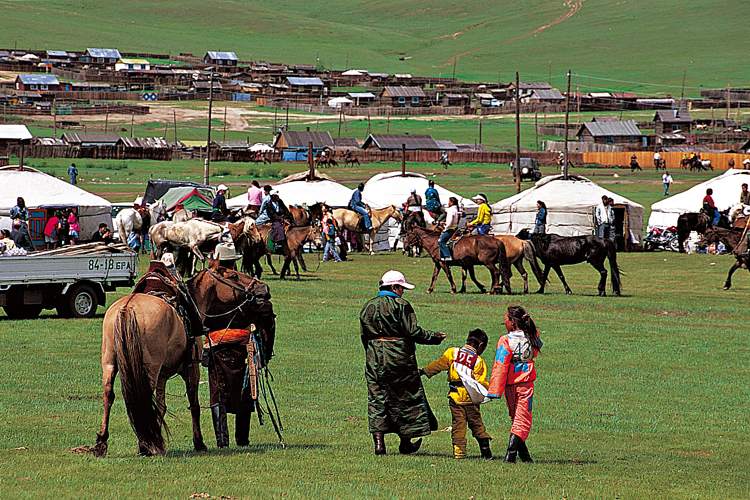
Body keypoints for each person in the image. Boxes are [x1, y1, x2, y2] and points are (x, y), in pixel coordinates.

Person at [360, 270, 446, 456]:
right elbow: (413, 332)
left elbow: (364, 336)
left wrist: (373, 352)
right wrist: (435, 337)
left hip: (374, 355)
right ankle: (405, 443)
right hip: (398, 356)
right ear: (393, 287)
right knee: (405, 397)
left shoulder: (368, 306)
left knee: (377, 398)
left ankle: (379, 444)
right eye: (401, 288)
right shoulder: (401, 305)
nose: (403, 292)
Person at [201, 242, 257, 448]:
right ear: (233, 262)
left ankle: (222, 442)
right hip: (241, 348)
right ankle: (242, 439)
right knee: (244, 392)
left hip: (217, 348)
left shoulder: (209, 288)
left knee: (218, 394)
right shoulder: (242, 286)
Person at [421, 328, 492, 460]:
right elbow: (481, 382)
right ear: (481, 346)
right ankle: (486, 450)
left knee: (459, 425)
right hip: (471, 399)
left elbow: (439, 365)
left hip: (455, 397)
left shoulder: (452, 352)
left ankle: (459, 454)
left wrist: (424, 371)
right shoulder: (478, 361)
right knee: (477, 423)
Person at [488, 305, 543, 463]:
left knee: (516, 417)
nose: (504, 323)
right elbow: (536, 350)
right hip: (526, 383)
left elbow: (500, 364)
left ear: (512, 322)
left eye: (505, 320)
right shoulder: (531, 336)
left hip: (509, 385)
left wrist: (494, 390)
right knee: (522, 419)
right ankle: (510, 456)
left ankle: (523, 456)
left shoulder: (504, 340)